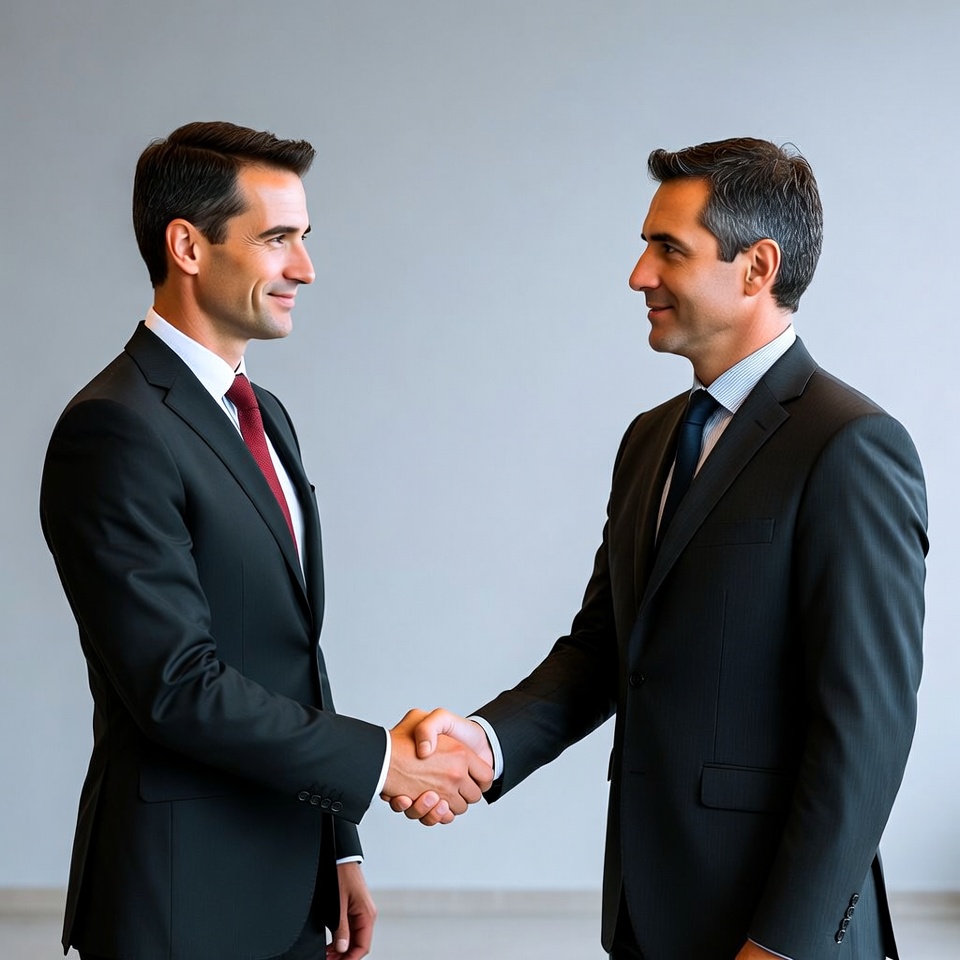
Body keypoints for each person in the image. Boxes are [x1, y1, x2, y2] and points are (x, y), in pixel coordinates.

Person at [388, 138, 928, 960]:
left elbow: (867, 733)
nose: (640, 275)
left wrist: (780, 946)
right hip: (650, 918)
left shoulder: (850, 446)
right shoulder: (648, 442)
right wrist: (484, 744)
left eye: (668, 249)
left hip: (777, 933)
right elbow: (605, 652)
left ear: (757, 268)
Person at [39, 121, 492, 960]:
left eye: (304, 239)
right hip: (181, 901)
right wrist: (380, 763)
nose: (305, 269)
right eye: (277, 239)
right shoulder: (114, 428)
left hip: (289, 882)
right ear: (188, 246)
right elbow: (176, 685)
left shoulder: (264, 415)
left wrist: (339, 846)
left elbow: (288, 650)